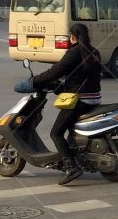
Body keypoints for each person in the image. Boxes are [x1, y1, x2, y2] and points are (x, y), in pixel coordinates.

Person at [28, 23, 103, 185]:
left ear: (73, 37)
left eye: (70, 36)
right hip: (95, 98)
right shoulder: (94, 51)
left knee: (56, 133)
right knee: (71, 129)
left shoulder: (74, 53)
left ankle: (71, 167)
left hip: (80, 100)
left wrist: (35, 80)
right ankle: (78, 157)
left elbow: (55, 71)